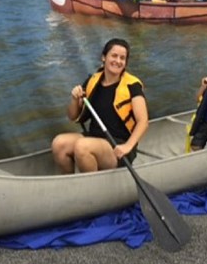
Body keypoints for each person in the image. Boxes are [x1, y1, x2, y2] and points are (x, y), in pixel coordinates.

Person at [51, 38, 149, 174]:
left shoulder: (133, 86)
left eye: (122, 58)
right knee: (59, 143)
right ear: (104, 57)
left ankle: (92, 189)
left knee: (82, 146)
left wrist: (127, 146)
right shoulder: (93, 81)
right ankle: (71, 184)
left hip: (118, 145)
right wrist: (74, 99)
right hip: (94, 137)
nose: (118, 61)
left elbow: (143, 122)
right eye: (114, 56)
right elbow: (72, 115)